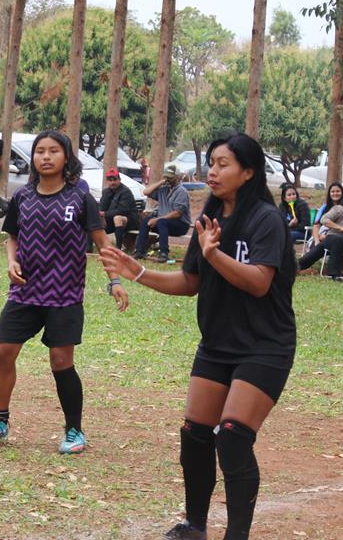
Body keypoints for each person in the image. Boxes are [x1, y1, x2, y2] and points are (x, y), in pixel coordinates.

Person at [100, 132, 296, 540]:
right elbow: (190, 282)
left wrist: (214, 254)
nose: (213, 170)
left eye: (224, 164)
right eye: (211, 162)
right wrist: (135, 270)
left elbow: (259, 283)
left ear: (248, 172)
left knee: (233, 436)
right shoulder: (209, 218)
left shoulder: (267, 219)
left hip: (265, 346)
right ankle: (195, 526)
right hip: (218, 344)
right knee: (195, 434)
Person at [0, 130, 128, 455]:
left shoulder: (80, 198)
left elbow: (103, 242)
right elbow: (11, 236)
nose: (45, 156)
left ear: (66, 157)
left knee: (60, 361)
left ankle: (74, 430)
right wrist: (12, 262)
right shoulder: (23, 197)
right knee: (4, 352)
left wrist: (114, 280)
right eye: (40, 151)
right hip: (24, 292)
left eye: (53, 151)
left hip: (64, 295)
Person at [298, 186, 343, 281]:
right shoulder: (339, 209)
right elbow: (324, 219)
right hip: (332, 239)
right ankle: (334, 274)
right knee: (337, 239)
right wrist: (339, 227)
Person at [134, 164, 191, 263]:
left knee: (161, 222)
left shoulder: (181, 192)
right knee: (146, 221)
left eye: (170, 177)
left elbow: (177, 213)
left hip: (181, 225)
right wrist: (161, 182)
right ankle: (140, 251)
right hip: (164, 223)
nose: (168, 179)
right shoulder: (163, 189)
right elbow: (146, 192)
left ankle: (163, 253)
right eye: (166, 176)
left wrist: (158, 219)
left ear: (177, 177)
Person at [99, 168, 140, 250]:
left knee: (117, 218)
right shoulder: (106, 192)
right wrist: (101, 216)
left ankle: (118, 247)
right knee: (93, 220)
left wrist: (104, 214)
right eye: (110, 180)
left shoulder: (126, 191)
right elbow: (102, 208)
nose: (112, 182)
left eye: (115, 180)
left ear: (119, 180)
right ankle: (92, 247)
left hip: (130, 220)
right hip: (112, 219)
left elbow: (123, 210)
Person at [311, 182, 343, 247]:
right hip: (322, 235)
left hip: (338, 237)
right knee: (314, 247)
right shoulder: (324, 207)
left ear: (342, 193)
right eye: (332, 191)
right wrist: (317, 240)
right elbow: (316, 225)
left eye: (338, 191)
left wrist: (327, 237)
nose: (335, 193)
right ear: (329, 194)